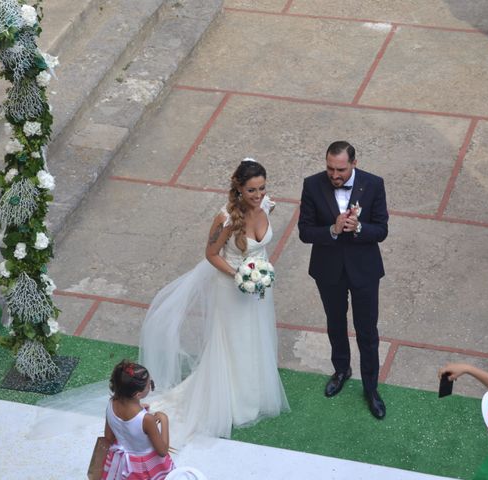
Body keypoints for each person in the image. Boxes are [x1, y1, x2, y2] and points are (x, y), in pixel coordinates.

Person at [139, 158, 289, 441]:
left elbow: (269, 206)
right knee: (234, 341)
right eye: (252, 191)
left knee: (256, 336)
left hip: (259, 287)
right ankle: (232, 399)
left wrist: (258, 277)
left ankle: (254, 391)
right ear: (238, 190)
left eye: (262, 189)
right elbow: (211, 255)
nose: (258, 196)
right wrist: (238, 275)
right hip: (231, 286)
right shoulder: (226, 219)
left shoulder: (265, 204)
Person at [298, 141, 389, 419]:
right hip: (329, 270)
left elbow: (382, 229)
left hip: (364, 271)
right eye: (329, 168)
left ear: (354, 164)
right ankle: (341, 370)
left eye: (340, 169)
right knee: (335, 323)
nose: (334, 175)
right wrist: (332, 230)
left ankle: (371, 388)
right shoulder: (312, 185)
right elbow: (305, 231)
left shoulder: (373, 184)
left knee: (367, 331)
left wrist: (359, 227)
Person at [100, 360, 175, 480]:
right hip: (145, 467)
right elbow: (162, 451)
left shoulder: (111, 403)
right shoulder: (147, 419)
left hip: (121, 465)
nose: (150, 385)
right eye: (149, 384)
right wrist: (164, 420)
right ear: (138, 394)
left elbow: (108, 438)